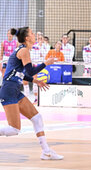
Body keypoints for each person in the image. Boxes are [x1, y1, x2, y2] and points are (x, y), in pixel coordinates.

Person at [0, 27, 63, 160]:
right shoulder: (23, 50)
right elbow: (30, 71)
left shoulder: (24, 50)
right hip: (9, 90)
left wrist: (36, 81)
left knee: (37, 118)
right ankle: (46, 151)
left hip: (15, 89)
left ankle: (46, 151)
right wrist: (46, 63)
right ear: (27, 38)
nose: (35, 35)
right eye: (32, 33)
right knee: (14, 130)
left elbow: (22, 74)